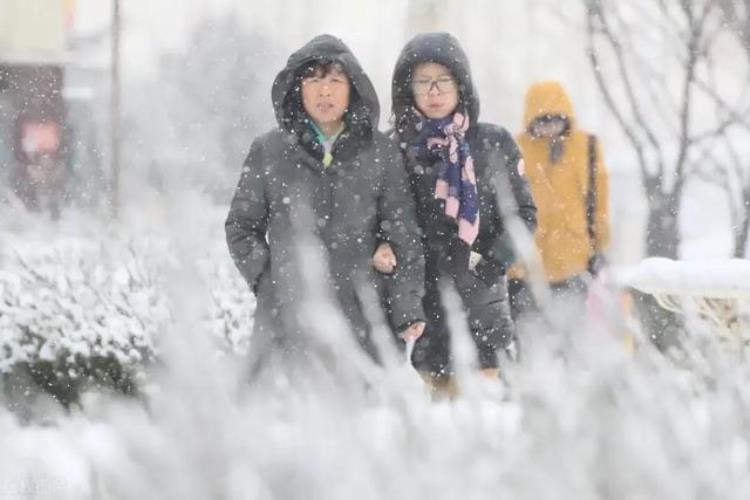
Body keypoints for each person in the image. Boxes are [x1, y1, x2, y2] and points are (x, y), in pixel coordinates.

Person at [225, 34, 426, 376]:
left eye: (335, 80)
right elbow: (241, 228)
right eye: (314, 80)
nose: (325, 91)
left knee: (362, 424)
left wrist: (407, 308)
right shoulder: (269, 150)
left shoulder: (381, 153)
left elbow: (403, 233)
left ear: (353, 88)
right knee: (286, 422)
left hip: (364, 322)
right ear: (297, 88)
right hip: (287, 325)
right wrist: (272, 282)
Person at [373, 33, 537, 384]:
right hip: (417, 310)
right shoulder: (390, 150)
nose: (434, 91)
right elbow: (373, 222)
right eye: (423, 81)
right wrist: (383, 249)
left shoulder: (493, 143)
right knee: (429, 422)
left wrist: (491, 265)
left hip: (482, 305)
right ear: (408, 88)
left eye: (443, 80)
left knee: (485, 420)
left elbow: (524, 215)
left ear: (461, 85)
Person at [512, 80, 610, 331]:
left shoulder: (586, 146)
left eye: (556, 120)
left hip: (574, 261)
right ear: (531, 121)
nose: (550, 129)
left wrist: (600, 247)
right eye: (542, 122)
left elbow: (599, 202)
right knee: (531, 339)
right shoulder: (515, 149)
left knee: (572, 337)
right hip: (527, 268)